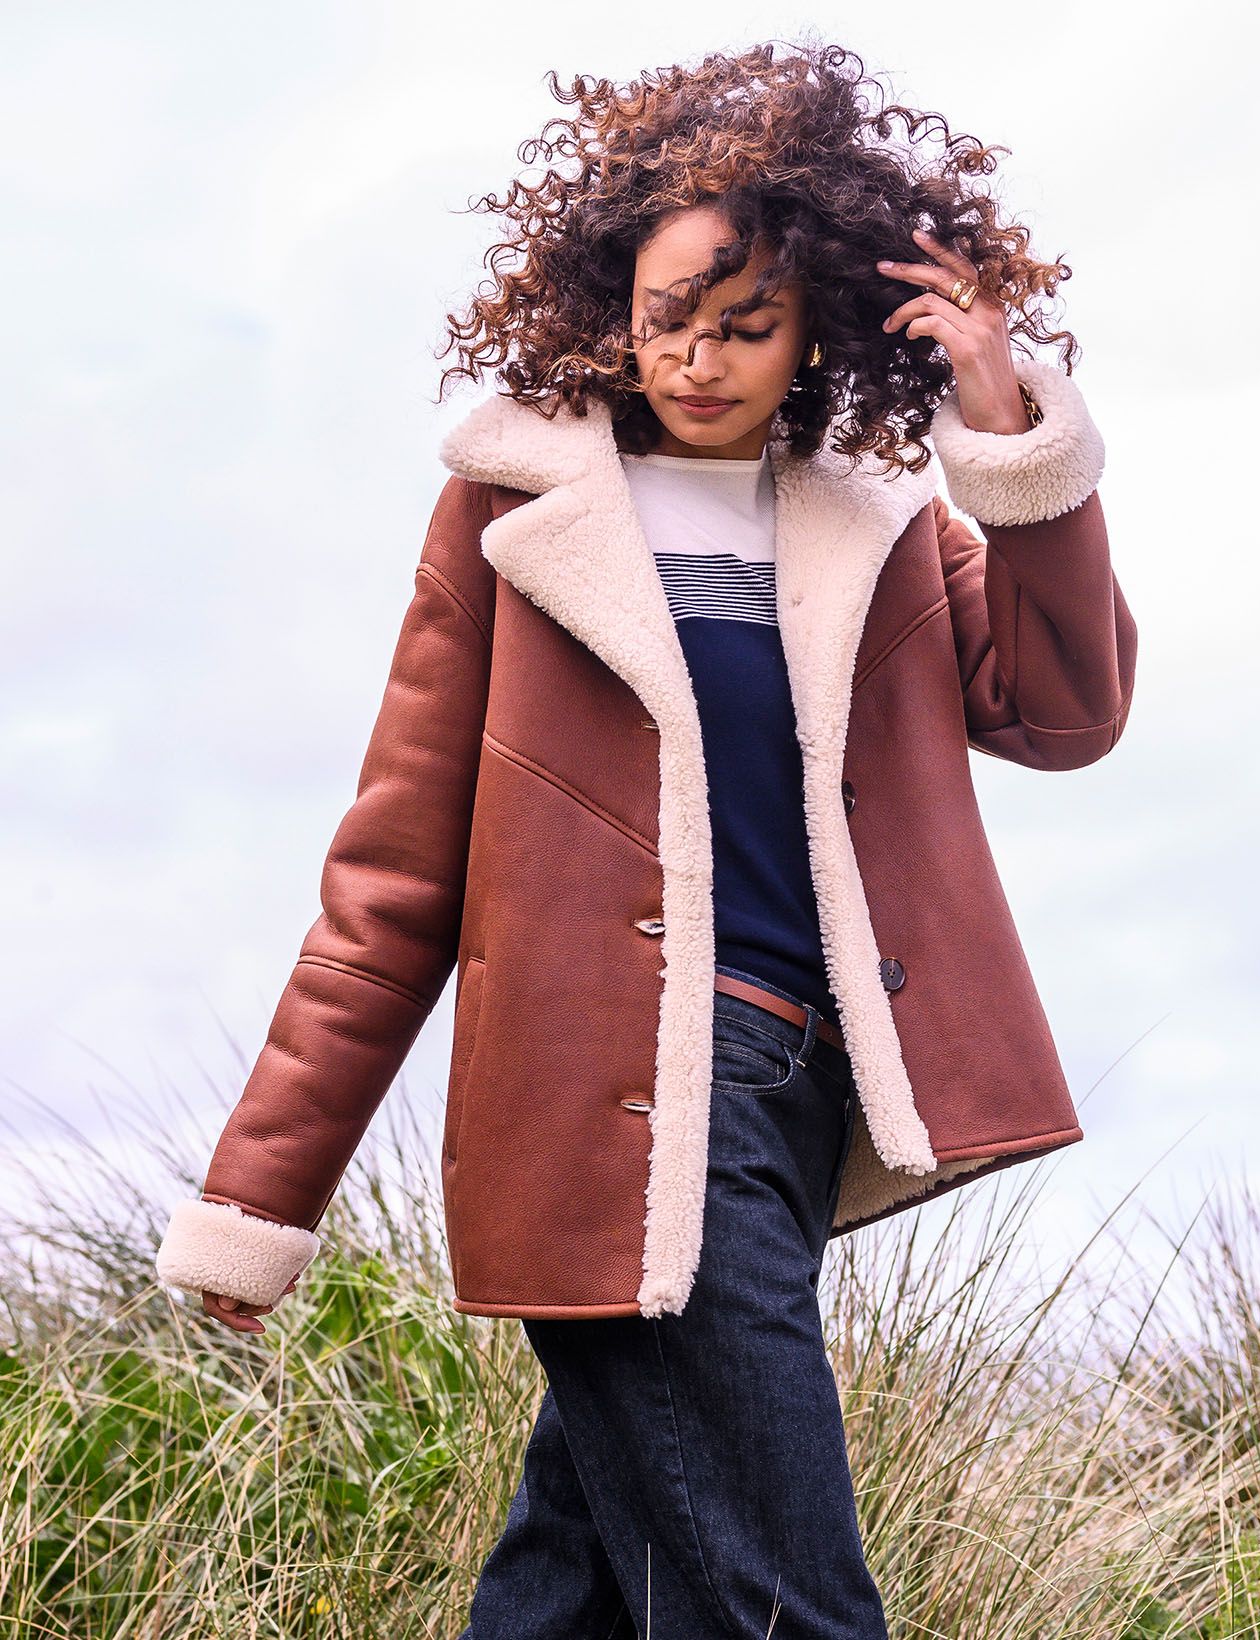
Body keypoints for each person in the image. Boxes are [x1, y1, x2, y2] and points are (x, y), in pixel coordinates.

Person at [155, 39, 1137, 1638]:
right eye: (666, 315)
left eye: (745, 326)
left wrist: (1002, 422)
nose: (696, 356)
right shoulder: (509, 520)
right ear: (604, 301)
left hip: (789, 1089)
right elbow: (391, 884)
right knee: (784, 1599)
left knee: (584, 1581)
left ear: (815, 328)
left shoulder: (874, 520)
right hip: (603, 1102)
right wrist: (263, 1194)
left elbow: (1062, 712)